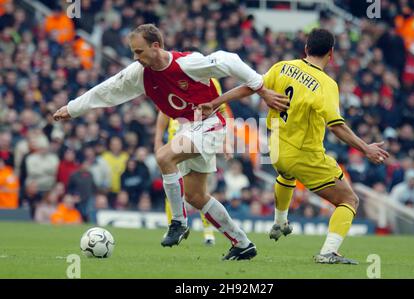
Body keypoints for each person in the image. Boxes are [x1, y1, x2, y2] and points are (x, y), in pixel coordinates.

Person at [53, 23, 288, 260]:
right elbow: (107, 89)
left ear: (156, 46)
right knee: (195, 196)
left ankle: (178, 222)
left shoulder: (188, 63)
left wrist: (261, 88)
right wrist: (72, 109)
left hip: (210, 124)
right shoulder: (140, 73)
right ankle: (242, 244)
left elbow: (229, 59)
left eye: (139, 51)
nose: (136, 57)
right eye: (134, 52)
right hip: (189, 129)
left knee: (164, 156)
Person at [199, 28, 389, 264]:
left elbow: (252, 86)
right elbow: (336, 125)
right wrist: (365, 148)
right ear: (331, 53)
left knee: (286, 176)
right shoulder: (326, 84)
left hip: (276, 148)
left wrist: (216, 102)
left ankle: (280, 222)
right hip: (304, 154)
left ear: (306, 48)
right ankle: (328, 252)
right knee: (349, 201)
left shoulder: (282, 67)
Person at [154, 75, 229, 247]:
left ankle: (208, 232)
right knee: (172, 187)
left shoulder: (212, 82)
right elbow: (164, 111)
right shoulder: (172, 79)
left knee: (198, 191)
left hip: (200, 137)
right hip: (176, 136)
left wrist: (226, 141)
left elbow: (222, 110)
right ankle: (173, 227)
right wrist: (158, 140)